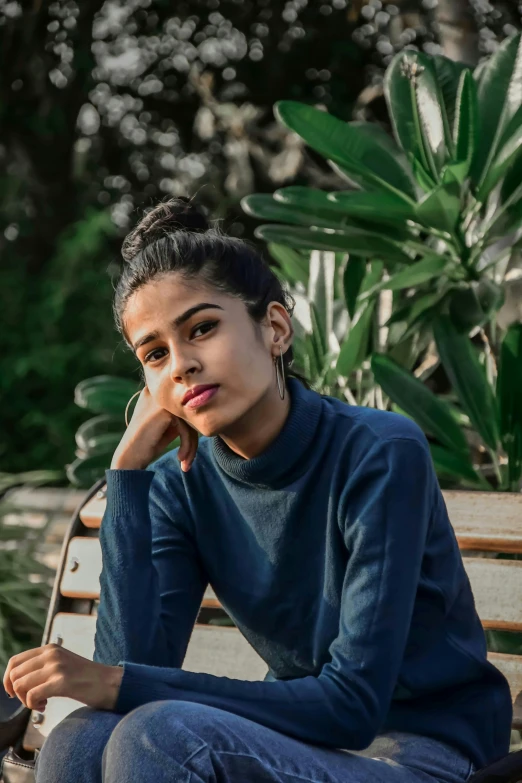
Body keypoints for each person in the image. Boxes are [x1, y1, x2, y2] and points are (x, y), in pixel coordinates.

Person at [35, 197, 512, 783]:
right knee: (82, 738)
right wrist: (128, 475)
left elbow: (352, 708)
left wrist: (119, 683)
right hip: (292, 746)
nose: (181, 364)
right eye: (155, 354)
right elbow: (130, 674)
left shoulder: (379, 453)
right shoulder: (176, 486)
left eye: (202, 328)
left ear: (275, 328)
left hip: (423, 752)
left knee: (158, 739)